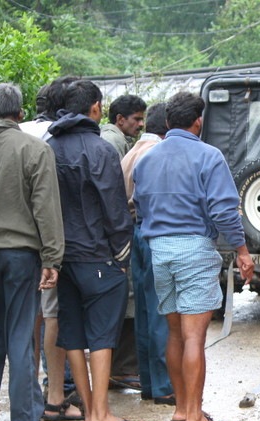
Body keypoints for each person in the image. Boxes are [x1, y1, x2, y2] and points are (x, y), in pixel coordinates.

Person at [133, 91, 254, 421]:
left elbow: (139, 208)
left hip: (159, 250)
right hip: (194, 250)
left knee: (173, 332)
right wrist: (242, 251)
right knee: (194, 337)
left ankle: (181, 408)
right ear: (198, 121)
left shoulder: (146, 159)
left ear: (169, 121)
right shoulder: (209, 156)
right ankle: (196, 420)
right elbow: (223, 211)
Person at [0, 82, 68, 421]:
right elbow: (46, 208)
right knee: (21, 336)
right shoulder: (33, 148)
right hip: (21, 254)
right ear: (20, 114)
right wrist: (52, 256)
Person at [47, 79, 144, 421]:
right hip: (99, 257)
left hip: (63, 258)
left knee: (72, 333)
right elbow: (115, 211)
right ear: (96, 108)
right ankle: (101, 415)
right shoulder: (100, 150)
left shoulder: (49, 147)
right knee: (102, 335)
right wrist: (121, 255)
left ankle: (90, 411)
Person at [21, 76, 83, 421]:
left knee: (28, 317)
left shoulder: (17, 132)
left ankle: (26, 391)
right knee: (53, 315)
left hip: (14, 238)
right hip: (49, 240)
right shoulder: (58, 137)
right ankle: (55, 396)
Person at [120, 103, 174, 405]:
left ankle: (150, 383)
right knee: (160, 312)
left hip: (135, 232)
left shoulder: (132, 152)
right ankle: (165, 385)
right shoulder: (157, 155)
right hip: (153, 231)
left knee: (143, 311)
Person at [101, 94, 147, 391]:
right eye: (136, 119)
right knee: (127, 299)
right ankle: (122, 368)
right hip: (116, 235)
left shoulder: (115, 140)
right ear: (120, 119)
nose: (140, 125)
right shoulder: (114, 143)